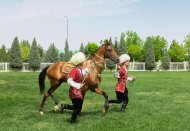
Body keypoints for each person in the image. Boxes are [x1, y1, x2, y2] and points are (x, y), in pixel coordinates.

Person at [60, 52, 88, 124]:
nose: (84, 62)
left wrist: (88, 69)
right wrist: (78, 85)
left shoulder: (80, 70)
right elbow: (69, 81)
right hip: (74, 92)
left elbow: (83, 73)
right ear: (79, 63)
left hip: (78, 91)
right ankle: (72, 121)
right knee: (78, 108)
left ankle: (64, 106)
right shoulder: (74, 70)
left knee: (78, 107)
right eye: (83, 61)